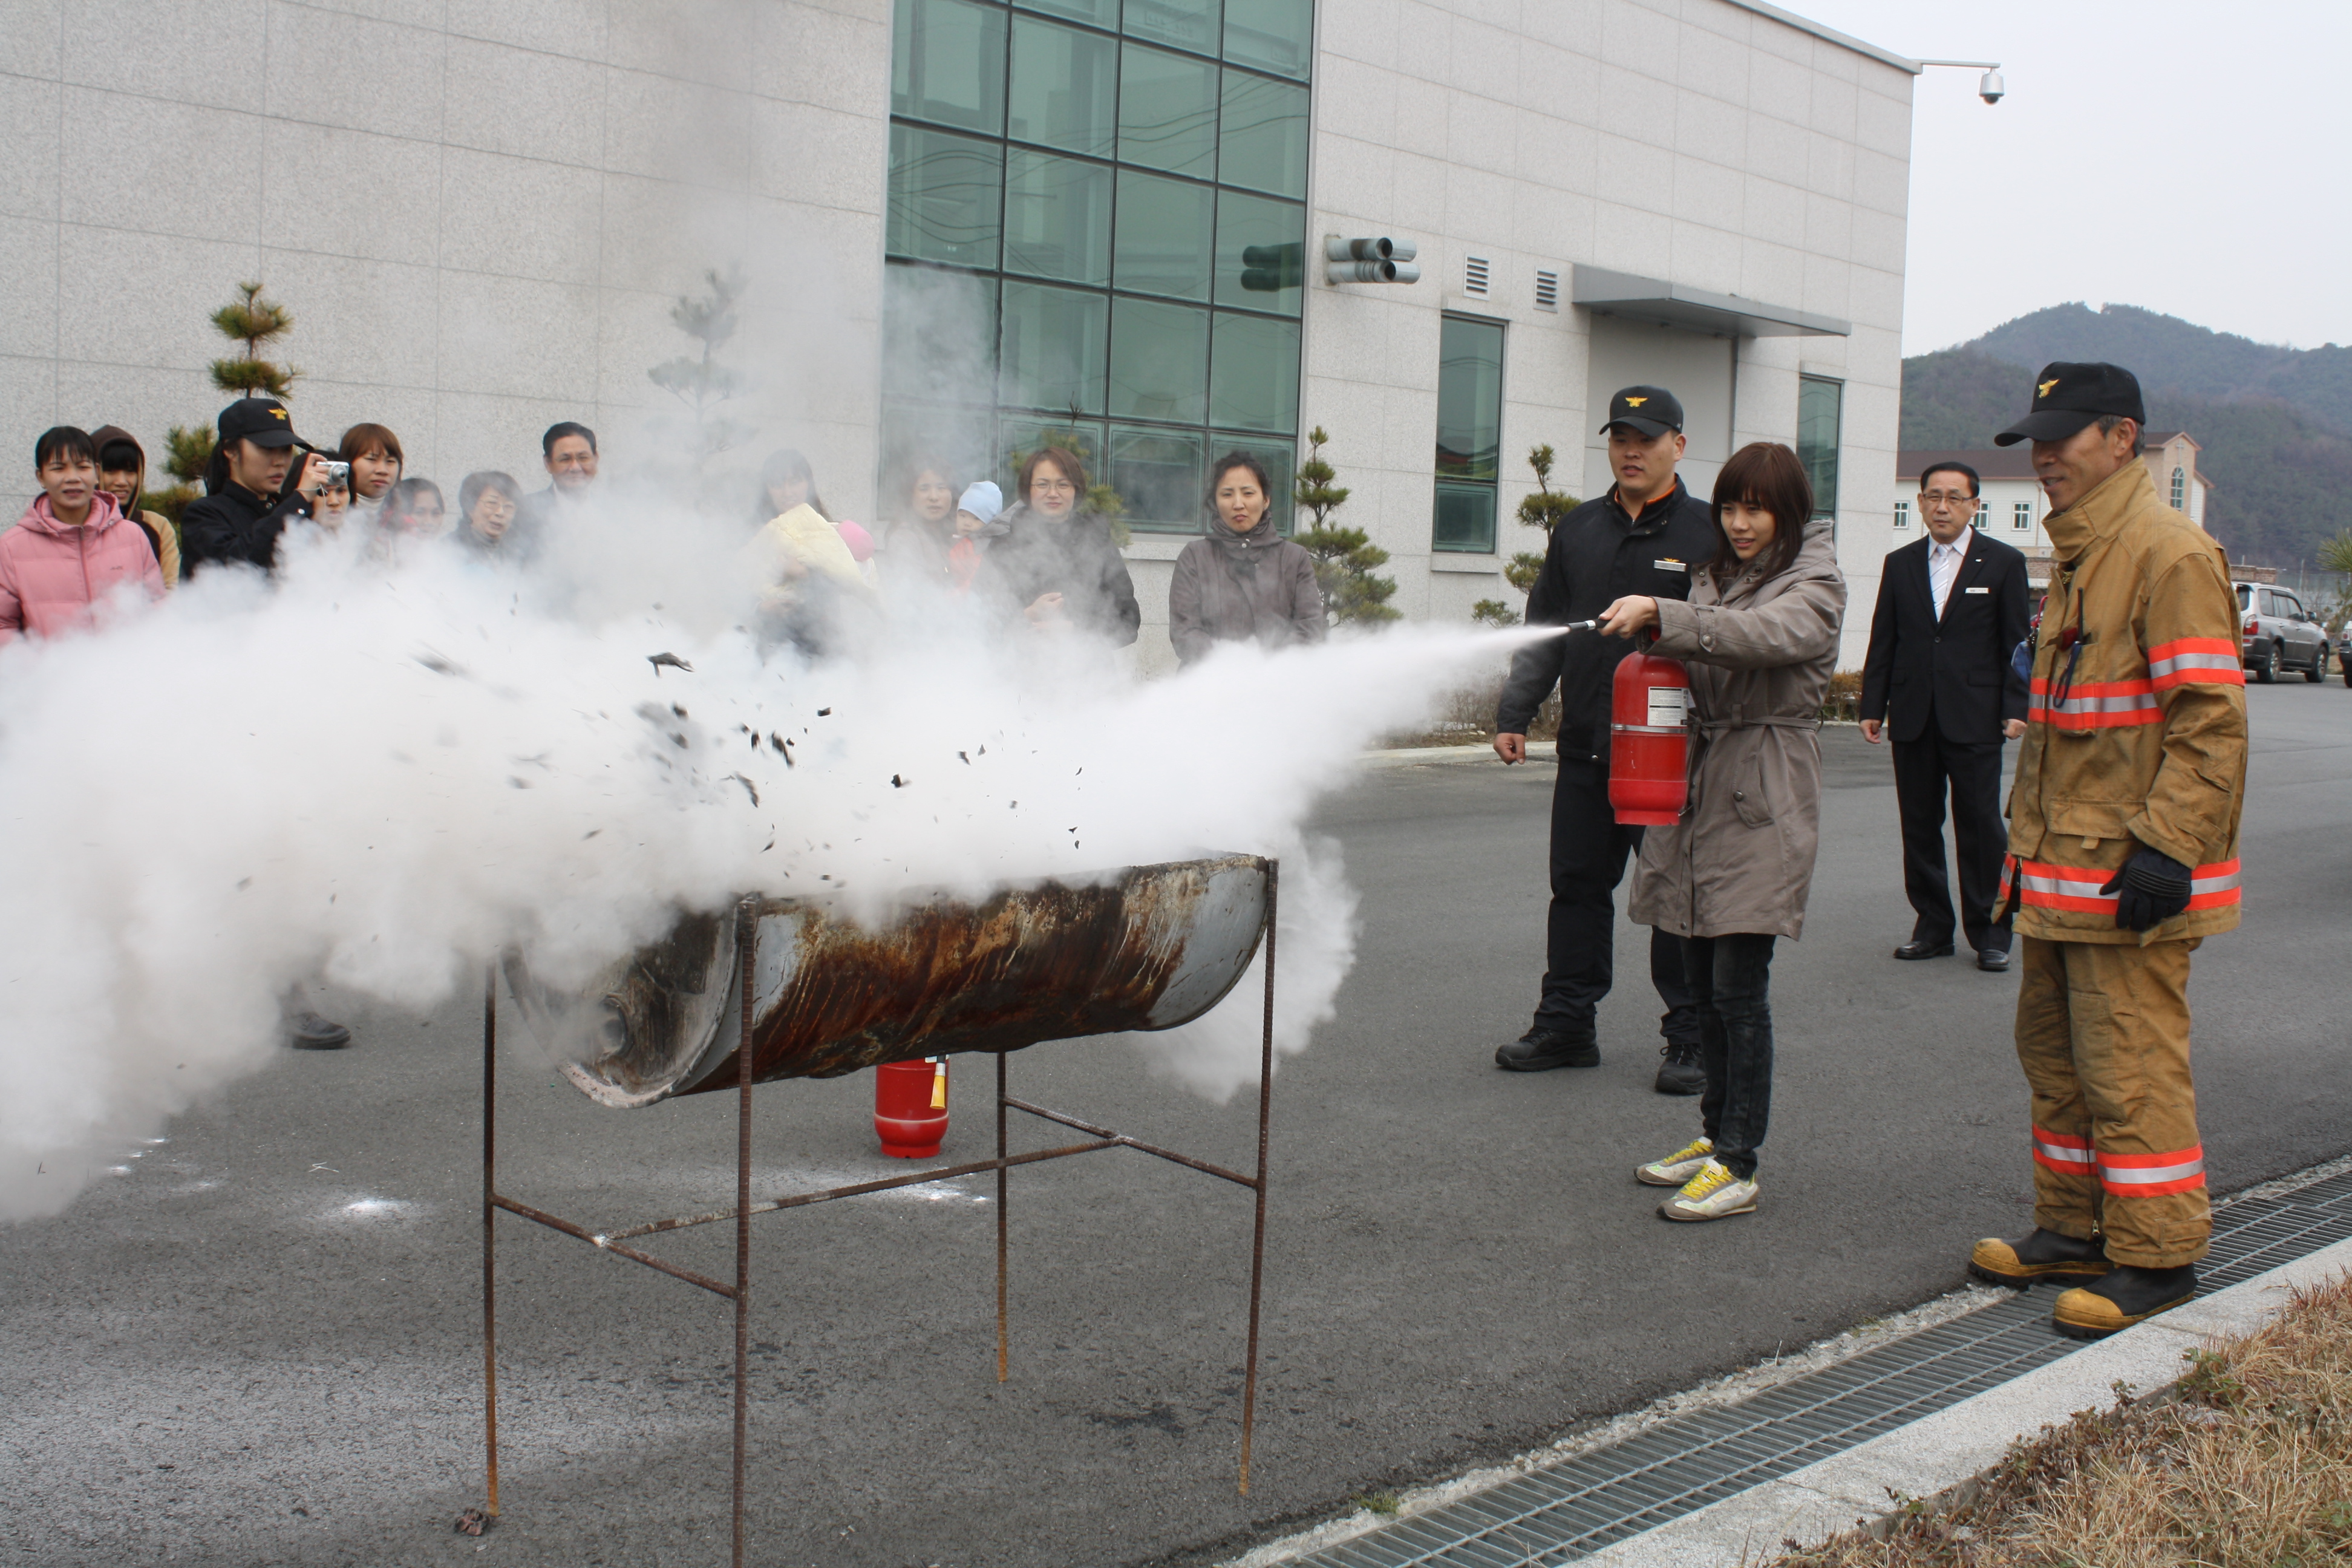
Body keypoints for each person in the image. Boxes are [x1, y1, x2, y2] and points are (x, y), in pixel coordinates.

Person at [1964, 363, 2246, 1340]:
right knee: (2057, 1061)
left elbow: (2209, 721)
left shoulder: (2168, 553)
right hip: (2062, 878)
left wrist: (2167, 848)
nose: (2044, 455)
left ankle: (2157, 1256)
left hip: (2129, 878)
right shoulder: (2085, 554)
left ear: (2122, 438)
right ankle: (2072, 1229)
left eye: (2063, 436)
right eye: (2035, 440)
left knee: (2129, 1067)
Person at [1614, 443, 1846, 1221]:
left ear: (1790, 513)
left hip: (1763, 788)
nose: (1740, 523)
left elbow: (1769, 636)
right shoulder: (1716, 575)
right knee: (1702, 984)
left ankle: (1739, 1162)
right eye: (1730, 508)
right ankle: (1715, 1136)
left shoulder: (1814, 582)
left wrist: (1668, 616)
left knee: (1740, 991)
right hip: (1699, 785)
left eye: (1757, 509)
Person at [1492, 387, 1717, 1093]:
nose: (1630, 451)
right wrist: (1516, 711)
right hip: (1589, 745)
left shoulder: (1709, 533)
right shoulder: (1578, 529)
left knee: (1675, 895)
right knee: (1577, 889)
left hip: (1671, 757)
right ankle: (1567, 1024)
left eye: (1646, 439)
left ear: (1678, 446)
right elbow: (1546, 628)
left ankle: (1692, 1036)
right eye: (1620, 438)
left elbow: (1732, 636)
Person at [1859, 461, 2033, 971]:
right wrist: (1873, 705)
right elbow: (1884, 638)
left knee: (1981, 827)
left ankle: (1991, 931)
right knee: (1919, 826)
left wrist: (2016, 707)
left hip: (1976, 715)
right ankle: (1933, 927)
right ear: (1920, 503)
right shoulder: (1901, 563)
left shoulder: (2003, 562)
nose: (1942, 507)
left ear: (1974, 505)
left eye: (1954, 497)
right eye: (1933, 496)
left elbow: (2016, 643)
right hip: (1914, 713)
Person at [0, 426, 165, 642]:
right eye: (59, 468)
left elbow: (156, 606)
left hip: (126, 662)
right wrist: (33, 662)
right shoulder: (12, 547)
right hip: (52, 665)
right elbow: (4, 624)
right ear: (41, 477)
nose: (73, 478)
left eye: (82, 467)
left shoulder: (132, 536)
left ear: (96, 472)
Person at [1168, 452, 1325, 665]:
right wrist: (1230, 666)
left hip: (1280, 680)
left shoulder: (1294, 558)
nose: (1238, 504)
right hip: (1208, 681)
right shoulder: (1195, 556)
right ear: (1215, 502)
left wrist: (1264, 669)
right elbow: (1185, 631)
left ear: (1266, 499)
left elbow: (1309, 627)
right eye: (1227, 494)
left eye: (1248, 493)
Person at [990, 446, 1140, 645]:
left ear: (1076, 490)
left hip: (1087, 664)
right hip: (1019, 662)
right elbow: (979, 622)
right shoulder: (1002, 549)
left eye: (1063, 485)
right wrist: (1028, 615)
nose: (1053, 493)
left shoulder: (1098, 544)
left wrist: (1077, 631)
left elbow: (1129, 622)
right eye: (1042, 485)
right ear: (1027, 490)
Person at [178, 397, 302, 578]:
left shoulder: (285, 508)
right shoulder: (203, 514)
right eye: (267, 448)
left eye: (286, 449)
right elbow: (237, 564)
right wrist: (298, 503)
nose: (279, 461)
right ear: (231, 450)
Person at [89, 425, 181, 588]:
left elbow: (170, 589)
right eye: (111, 471)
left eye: (131, 471)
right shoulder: (78, 529)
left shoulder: (157, 526)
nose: (122, 481)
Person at [521, 421, 599, 539]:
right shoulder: (524, 510)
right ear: (548, 463)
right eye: (565, 460)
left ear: (596, 459)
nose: (575, 468)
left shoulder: (615, 510)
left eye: (583, 458)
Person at [338, 423, 403, 525]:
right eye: (372, 459)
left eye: (390, 461)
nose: (382, 470)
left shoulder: (406, 521)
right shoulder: (329, 514)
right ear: (348, 462)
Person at [456, 471, 522, 556]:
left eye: (509, 506)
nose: (500, 512)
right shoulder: (449, 548)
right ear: (470, 507)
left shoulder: (520, 552)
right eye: (492, 503)